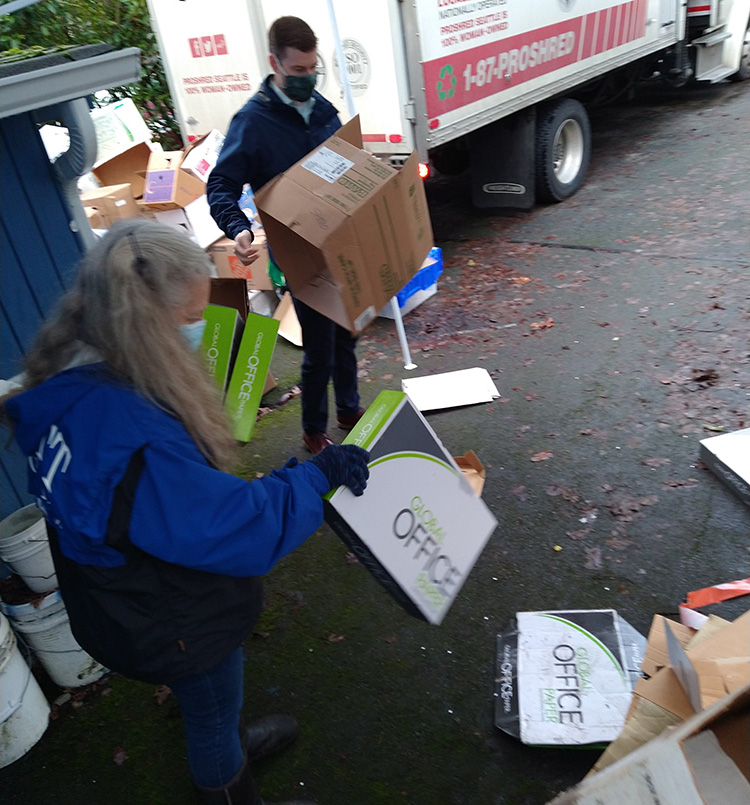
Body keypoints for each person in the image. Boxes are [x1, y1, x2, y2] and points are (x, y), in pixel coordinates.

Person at [1, 219, 369, 805]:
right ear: (146, 323)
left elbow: (172, 507)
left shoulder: (72, 378)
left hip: (116, 598)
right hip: (167, 617)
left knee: (209, 702)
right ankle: (226, 777)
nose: (201, 327)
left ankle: (226, 740)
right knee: (212, 708)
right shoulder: (131, 435)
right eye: (192, 317)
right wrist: (316, 475)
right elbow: (235, 529)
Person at [207, 15, 364, 456]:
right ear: (275, 63)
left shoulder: (323, 110)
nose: (306, 78)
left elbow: (348, 165)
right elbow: (220, 185)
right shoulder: (253, 122)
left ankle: (349, 409)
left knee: (347, 331)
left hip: (337, 240)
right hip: (297, 252)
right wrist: (238, 228)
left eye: (313, 69)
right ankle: (314, 430)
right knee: (320, 344)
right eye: (297, 70)